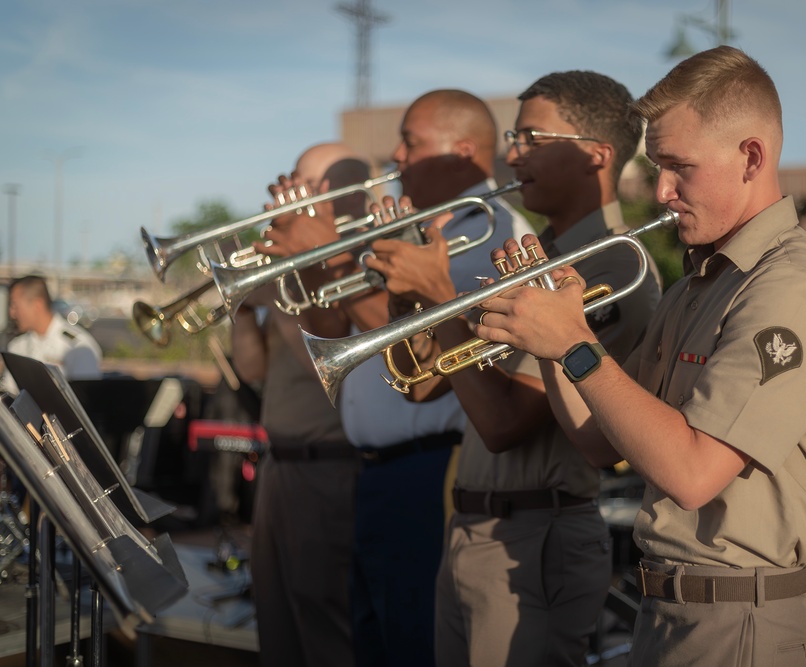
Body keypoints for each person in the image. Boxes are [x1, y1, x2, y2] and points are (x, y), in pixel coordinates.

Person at [474, 46, 806, 665]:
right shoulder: (696, 286)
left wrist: (574, 344)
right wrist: (550, 339)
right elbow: (599, 441)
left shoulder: (790, 288)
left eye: (679, 167)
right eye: (658, 166)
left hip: (741, 620)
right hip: (671, 611)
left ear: (752, 157)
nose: (661, 191)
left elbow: (691, 472)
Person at [365, 71, 661, 666]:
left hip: (534, 539)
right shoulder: (536, 257)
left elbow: (503, 424)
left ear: (595, 156)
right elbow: (422, 384)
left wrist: (439, 291)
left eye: (531, 137)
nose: (512, 153)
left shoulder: (609, 267)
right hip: (474, 530)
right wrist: (409, 299)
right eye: (513, 135)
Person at [335, 89, 529, 667]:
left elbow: (428, 357)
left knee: (413, 643)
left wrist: (344, 264)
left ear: (460, 149)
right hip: (381, 472)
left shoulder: (493, 231)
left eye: (410, 141)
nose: (396, 155)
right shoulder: (427, 224)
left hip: (430, 469)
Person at [230, 141, 371, 667]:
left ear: (336, 193)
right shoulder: (293, 268)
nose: (286, 193)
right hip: (279, 465)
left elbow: (328, 358)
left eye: (301, 184)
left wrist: (283, 297)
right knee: (278, 625)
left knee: (326, 628)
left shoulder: (357, 263)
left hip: (330, 466)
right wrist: (244, 311)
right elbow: (256, 372)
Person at [2, 274, 102, 393]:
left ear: (37, 305)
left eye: (15, 305)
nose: (12, 313)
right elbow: (9, 394)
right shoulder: (18, 346)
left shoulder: (78, 346)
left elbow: (86, 399)